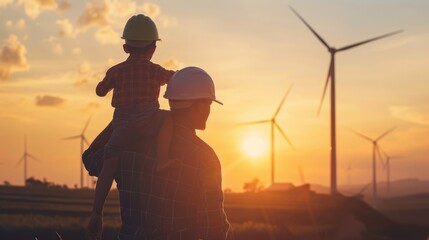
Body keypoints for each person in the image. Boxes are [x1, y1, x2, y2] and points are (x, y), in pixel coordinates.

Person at [86, 66, 230, 240]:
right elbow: (214, 227)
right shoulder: (204, 158)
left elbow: (90, 157)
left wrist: (122, 119)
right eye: (208, 104)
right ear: (199, 106)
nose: (208, 111)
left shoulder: (128, 147)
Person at [96, 14, 176, 175]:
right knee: (169, 118)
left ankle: (98, 200)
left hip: (122, 125)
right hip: (148, 121)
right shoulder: (154, 70)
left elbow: (100, 91)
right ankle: (163, 159)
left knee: (108, 166)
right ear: (153, 49)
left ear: (125, 48)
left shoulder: (115, 71)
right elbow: (173, 77)